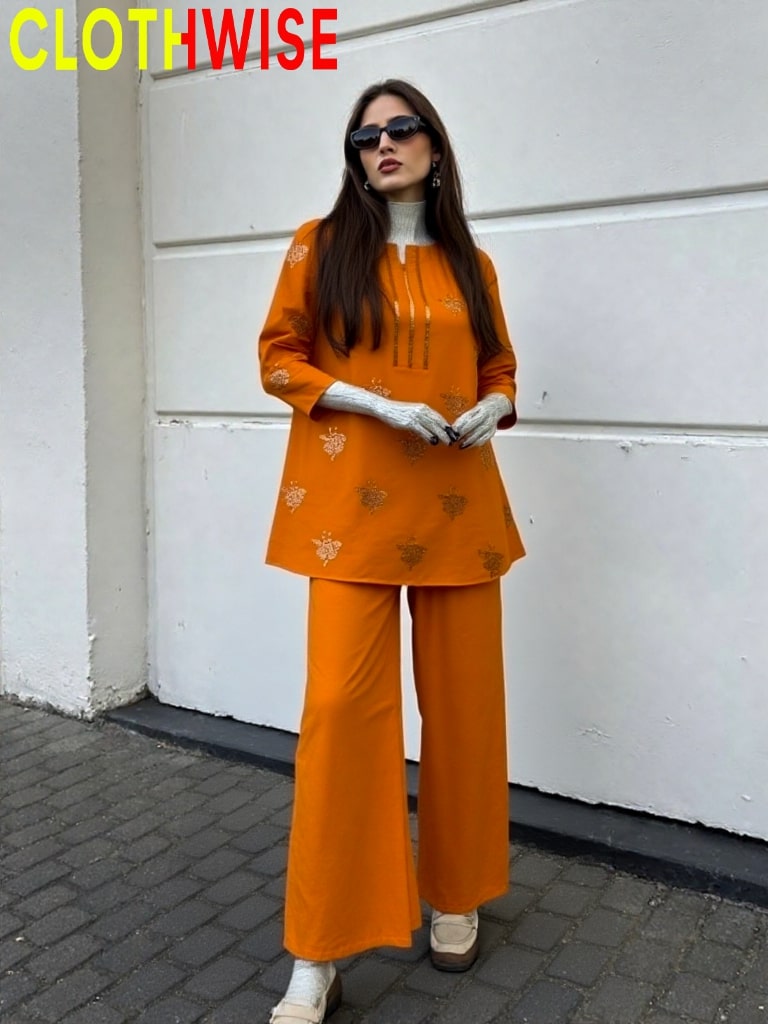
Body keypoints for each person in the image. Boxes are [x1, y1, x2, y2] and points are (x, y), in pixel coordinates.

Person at [258, 78, 525, 1024]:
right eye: (366, 134)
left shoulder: (470, 265)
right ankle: (318, 948)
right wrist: (373, 402)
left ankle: (453, 892)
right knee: (339, 711)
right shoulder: (320, 246)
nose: (384, 144)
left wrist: (494, 404)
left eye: (402, 129)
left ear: (435, 150)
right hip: (348, 512)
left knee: (462, 710)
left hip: (457, 511)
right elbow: (279, 357)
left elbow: (499, 366)